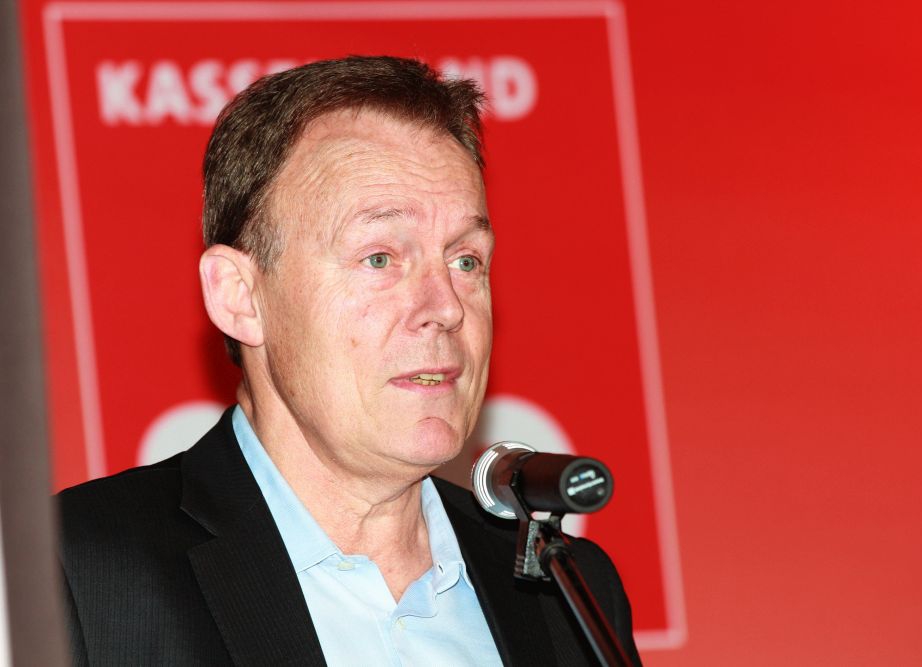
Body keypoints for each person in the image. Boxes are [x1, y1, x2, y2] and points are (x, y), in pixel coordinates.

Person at [58, 56, 641, 666]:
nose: (446, 308)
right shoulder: (79, 572)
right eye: (380, 258)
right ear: (240, 297)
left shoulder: (568, 591)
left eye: (466, 260)